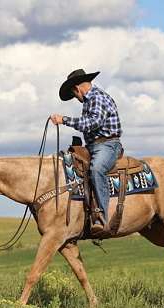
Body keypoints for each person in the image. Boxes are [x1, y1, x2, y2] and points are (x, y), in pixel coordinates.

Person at [50, 69, 123, 231]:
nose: (76, 98)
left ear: (77, 89)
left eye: (74, 95)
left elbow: (93, 123)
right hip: (93, 146)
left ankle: (101, 216)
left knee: (97, 169)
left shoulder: (97, 97)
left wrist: (64, 120)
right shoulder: (90, 101)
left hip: (108, 145)